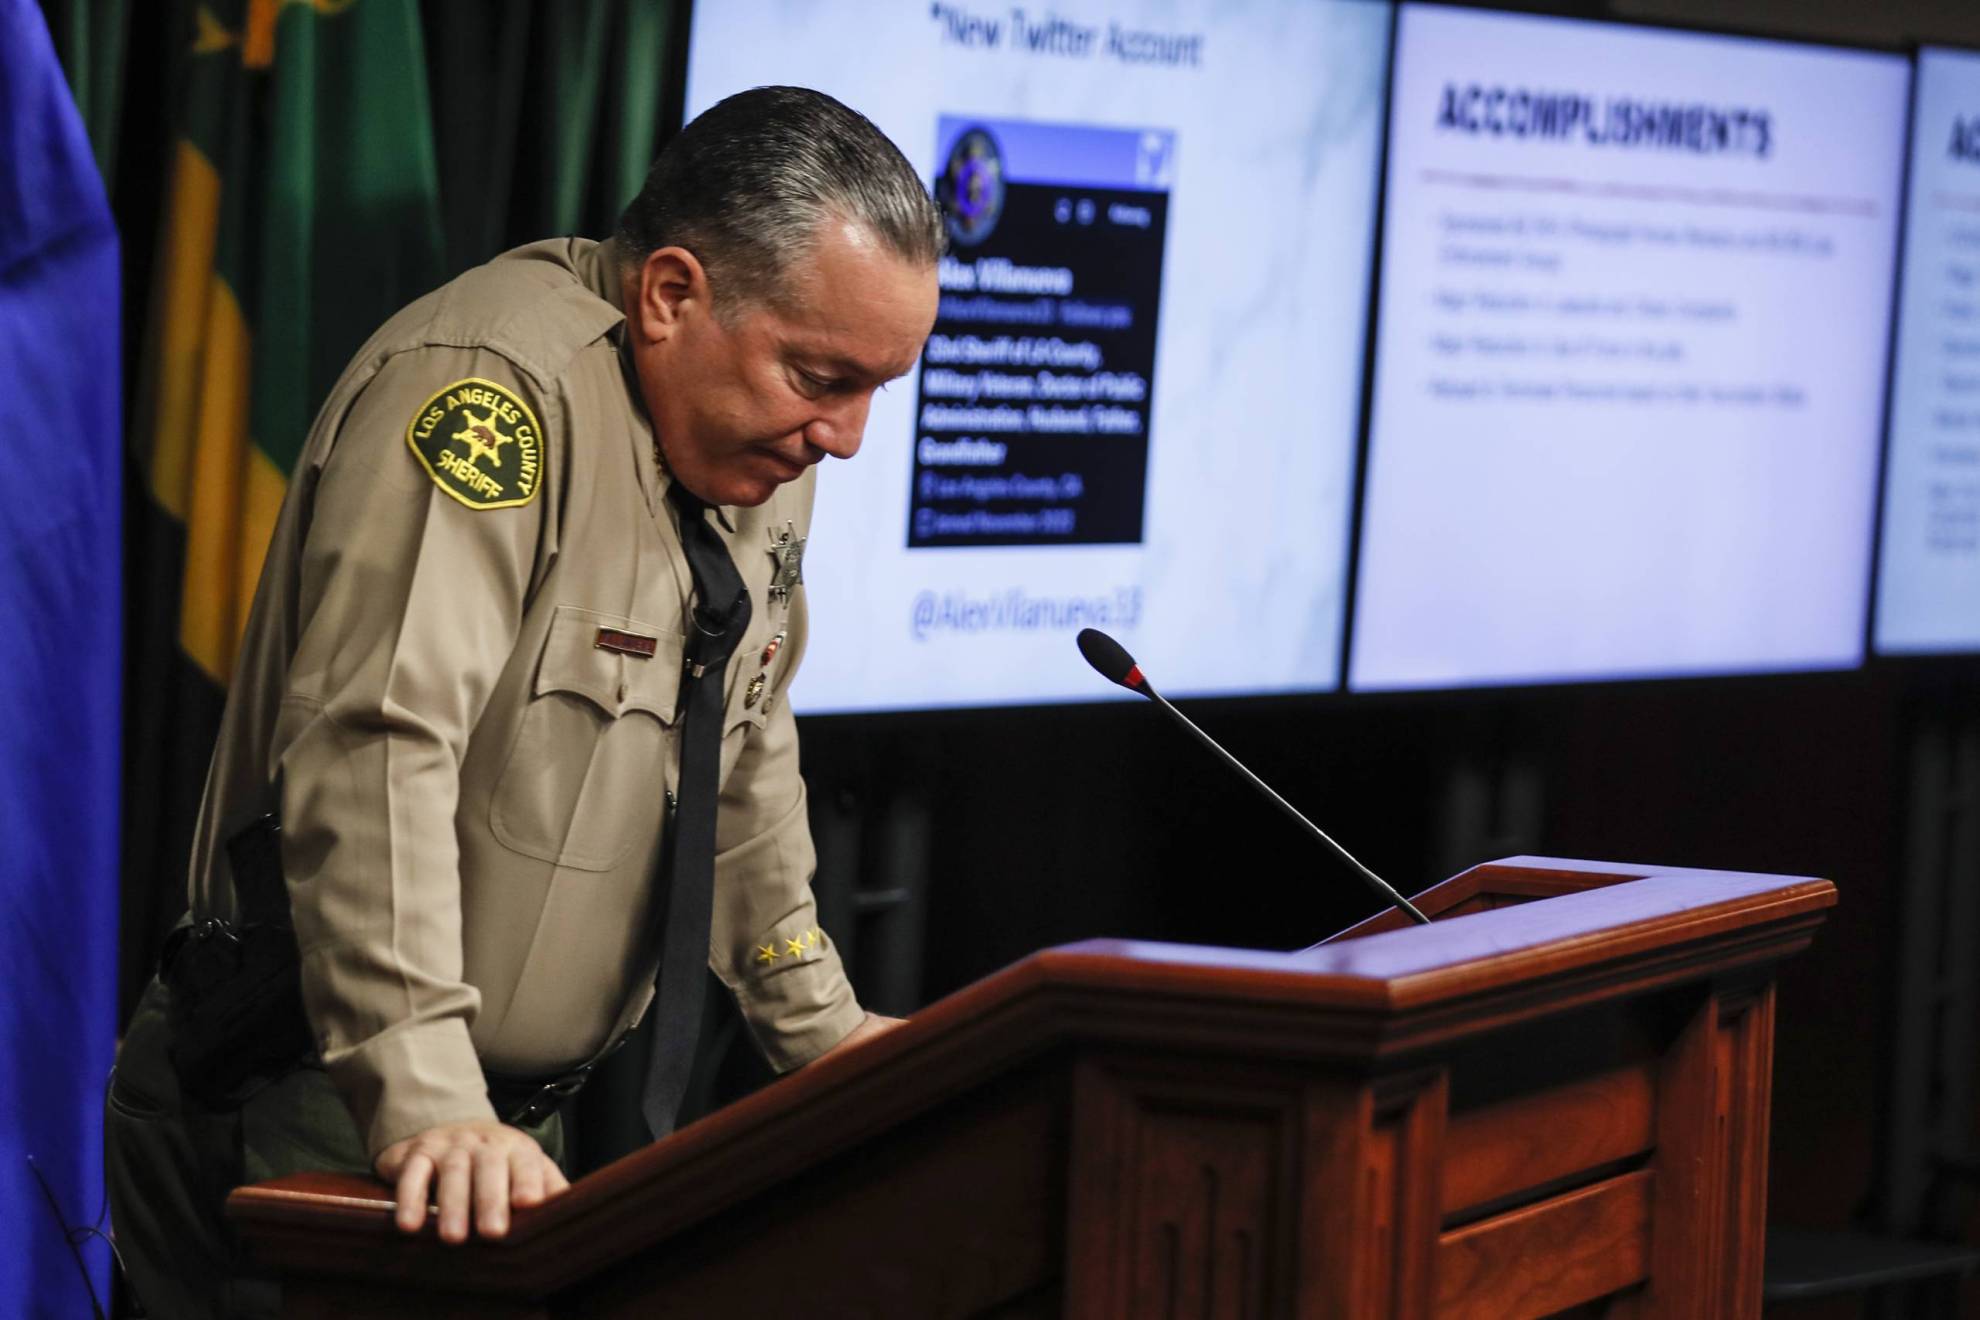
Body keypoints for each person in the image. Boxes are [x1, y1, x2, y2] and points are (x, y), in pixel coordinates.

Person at [106, 85, 942, 1319]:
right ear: (671, 295)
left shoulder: (755, 440)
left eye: (877, 387)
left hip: (493, 1135)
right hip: (327, 1105)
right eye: (823, 375)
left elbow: (746, 738)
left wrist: (818, 1027)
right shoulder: (490, 397)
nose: (850, 437)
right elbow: (376, 746)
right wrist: (426, 1093)